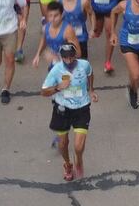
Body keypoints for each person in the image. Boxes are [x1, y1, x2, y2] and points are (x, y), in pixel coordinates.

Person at [40, 43, 97, 182]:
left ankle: (79, 160)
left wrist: (91, 90)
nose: (69, 60)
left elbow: (90, 73)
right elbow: (43, 91)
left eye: (71, 57)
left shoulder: (84, 65)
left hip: (82, 107)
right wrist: (58, 87)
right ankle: (67, 164)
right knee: (63, 144)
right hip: (62, 109)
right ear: (61, 57)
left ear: (75, 55)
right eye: (65, 57)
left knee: (78, 146)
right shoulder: (56, 70)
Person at [32, 1, 80, 69]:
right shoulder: (46, 27)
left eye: (56, 16)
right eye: (50, 15)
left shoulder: (68, 31)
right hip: (54, 66)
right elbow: (44, 40)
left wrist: (56, 57)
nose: (53, 19)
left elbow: (78, 53)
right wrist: (37, 55)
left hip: (68, 69)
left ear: (62, 15)